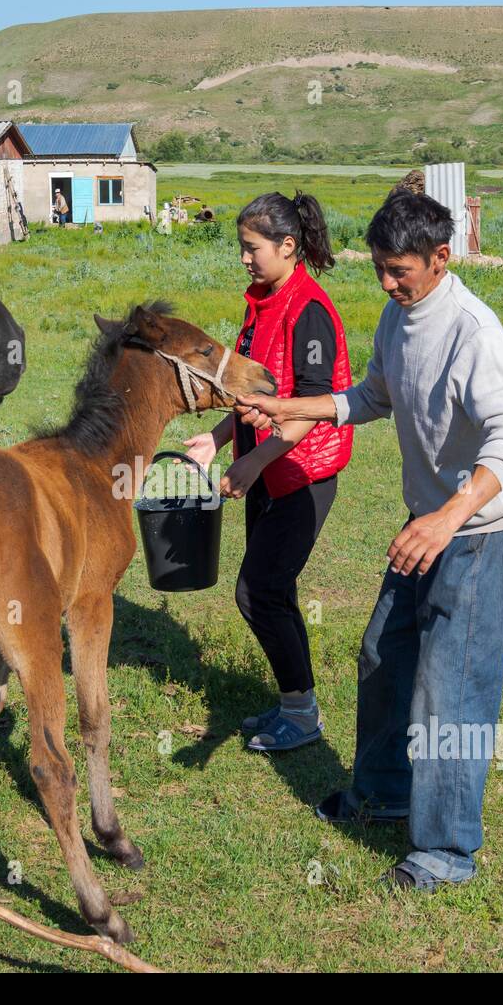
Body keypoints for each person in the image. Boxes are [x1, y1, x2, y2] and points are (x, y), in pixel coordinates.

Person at [237, 188, 503, 890]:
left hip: (477, 527)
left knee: (450, 685)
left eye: (398, 269)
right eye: (377, 267)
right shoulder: (399, 317)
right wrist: (292, 405)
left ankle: (447, 850)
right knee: (382, 651)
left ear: (441, 257)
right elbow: (372, 394)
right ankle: (383, 791)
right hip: (428, 519)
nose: (385, 282)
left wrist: (447, 516)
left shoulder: (474, 331)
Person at [183, 191, 353, 752]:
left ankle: (302, 716)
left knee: (258, 592)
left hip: (300, 473)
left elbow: (312, 403)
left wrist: (254, 461)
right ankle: (293, 704)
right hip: (265, 468)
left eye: (252, 248)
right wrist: (218, 437)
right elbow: (252, 391)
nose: (244, 259)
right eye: (241, 248)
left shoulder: (309, 312)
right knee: (273, 591)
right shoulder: (261, 301)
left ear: (287, 245)